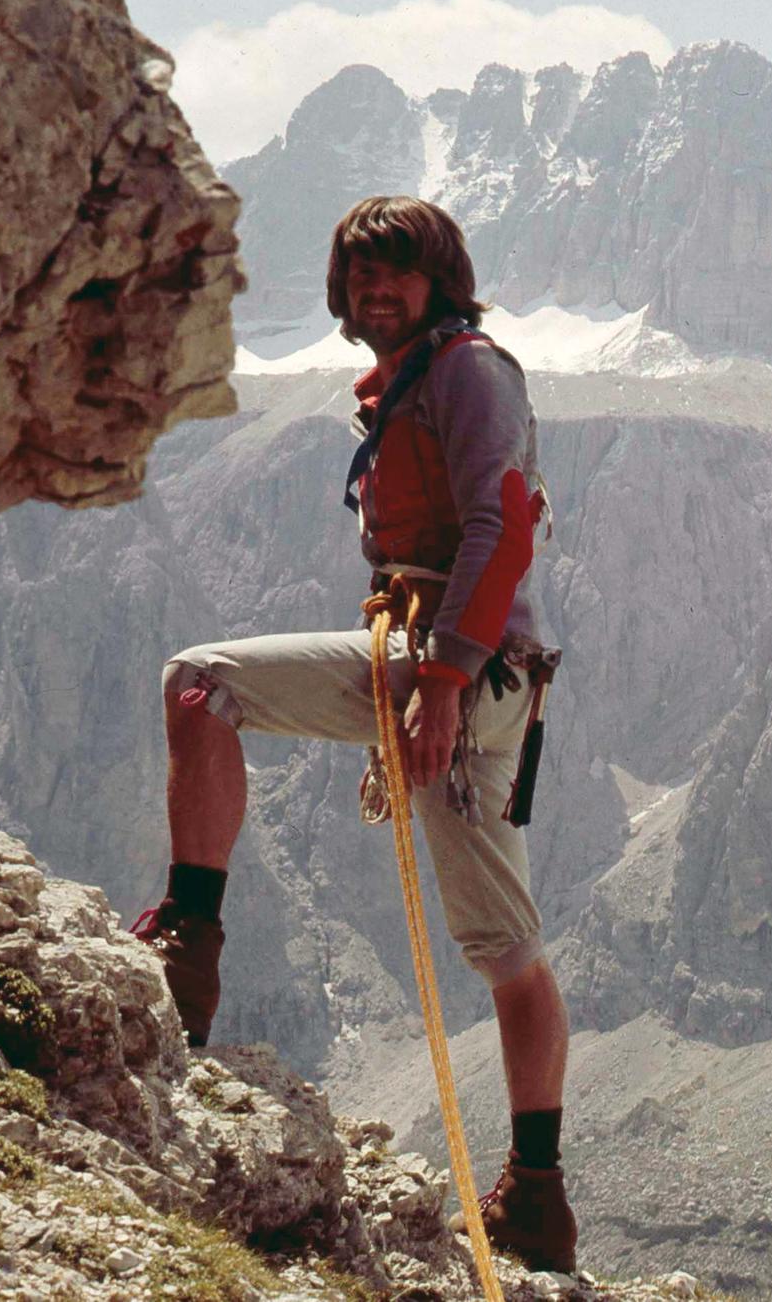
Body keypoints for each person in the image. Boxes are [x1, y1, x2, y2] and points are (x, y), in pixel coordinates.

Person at [130, 195, 574, 1272]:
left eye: (397, 275)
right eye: (360, 277)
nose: (376, 293)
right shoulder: (418, 377)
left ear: (438, 282)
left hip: (455, 670)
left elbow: (499, 527)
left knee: (502, 949)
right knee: (202, 688)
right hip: (435, 661)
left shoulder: (468, 371)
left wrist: (442, 685)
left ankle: (535, 1196)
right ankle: (539, 1198)